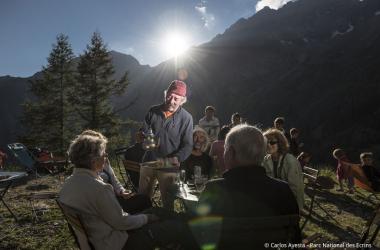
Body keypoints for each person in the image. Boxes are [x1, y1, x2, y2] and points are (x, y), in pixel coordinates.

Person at [59, 132, 197, 250]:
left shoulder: (68, 185)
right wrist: (147, 218)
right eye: (104, 155)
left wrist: (147, 216)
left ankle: (189, 219)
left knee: (157, 211)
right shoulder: (98, 188)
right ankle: (190, 227)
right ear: (94, 161)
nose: (106, 158)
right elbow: (122, 222)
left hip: (99, 239)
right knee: (177, 228)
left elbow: (116, 218)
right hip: (119, 243)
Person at [195, 125, 300, 247]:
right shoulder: (284, 191)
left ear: (231, 152)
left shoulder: (213, 189)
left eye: (225, 149)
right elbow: (295, 238)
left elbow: (198, 236)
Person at [139, 80, 193, 210]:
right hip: (149, 161)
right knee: (142, 199)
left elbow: (187, 145)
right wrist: (141, 136)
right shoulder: (153, 111)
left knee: (168, 203)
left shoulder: (186, 118)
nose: (171, 100)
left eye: (176, 98)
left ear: (182, 100)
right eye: (169, 95)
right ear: (165, 94)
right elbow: (144, 132)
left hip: (169, 164)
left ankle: (166, 225)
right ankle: (142, 221)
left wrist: (177, 158)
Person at [81, 130, 151, 214]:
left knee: (144, 199)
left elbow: (114, 180)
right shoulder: (85, 170)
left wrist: (121, 191)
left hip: (116, 198)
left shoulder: (104, 161)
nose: (105, 154)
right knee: (144, 203)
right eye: (101, 149)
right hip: (111, 204)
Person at [262, 128, 304, 210]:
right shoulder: (266, 160)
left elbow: (294, 189)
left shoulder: (290, 161)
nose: (269, 145)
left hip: (289, 205)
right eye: (266, 142)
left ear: (280, 143)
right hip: (273, 201)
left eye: (272, 142)